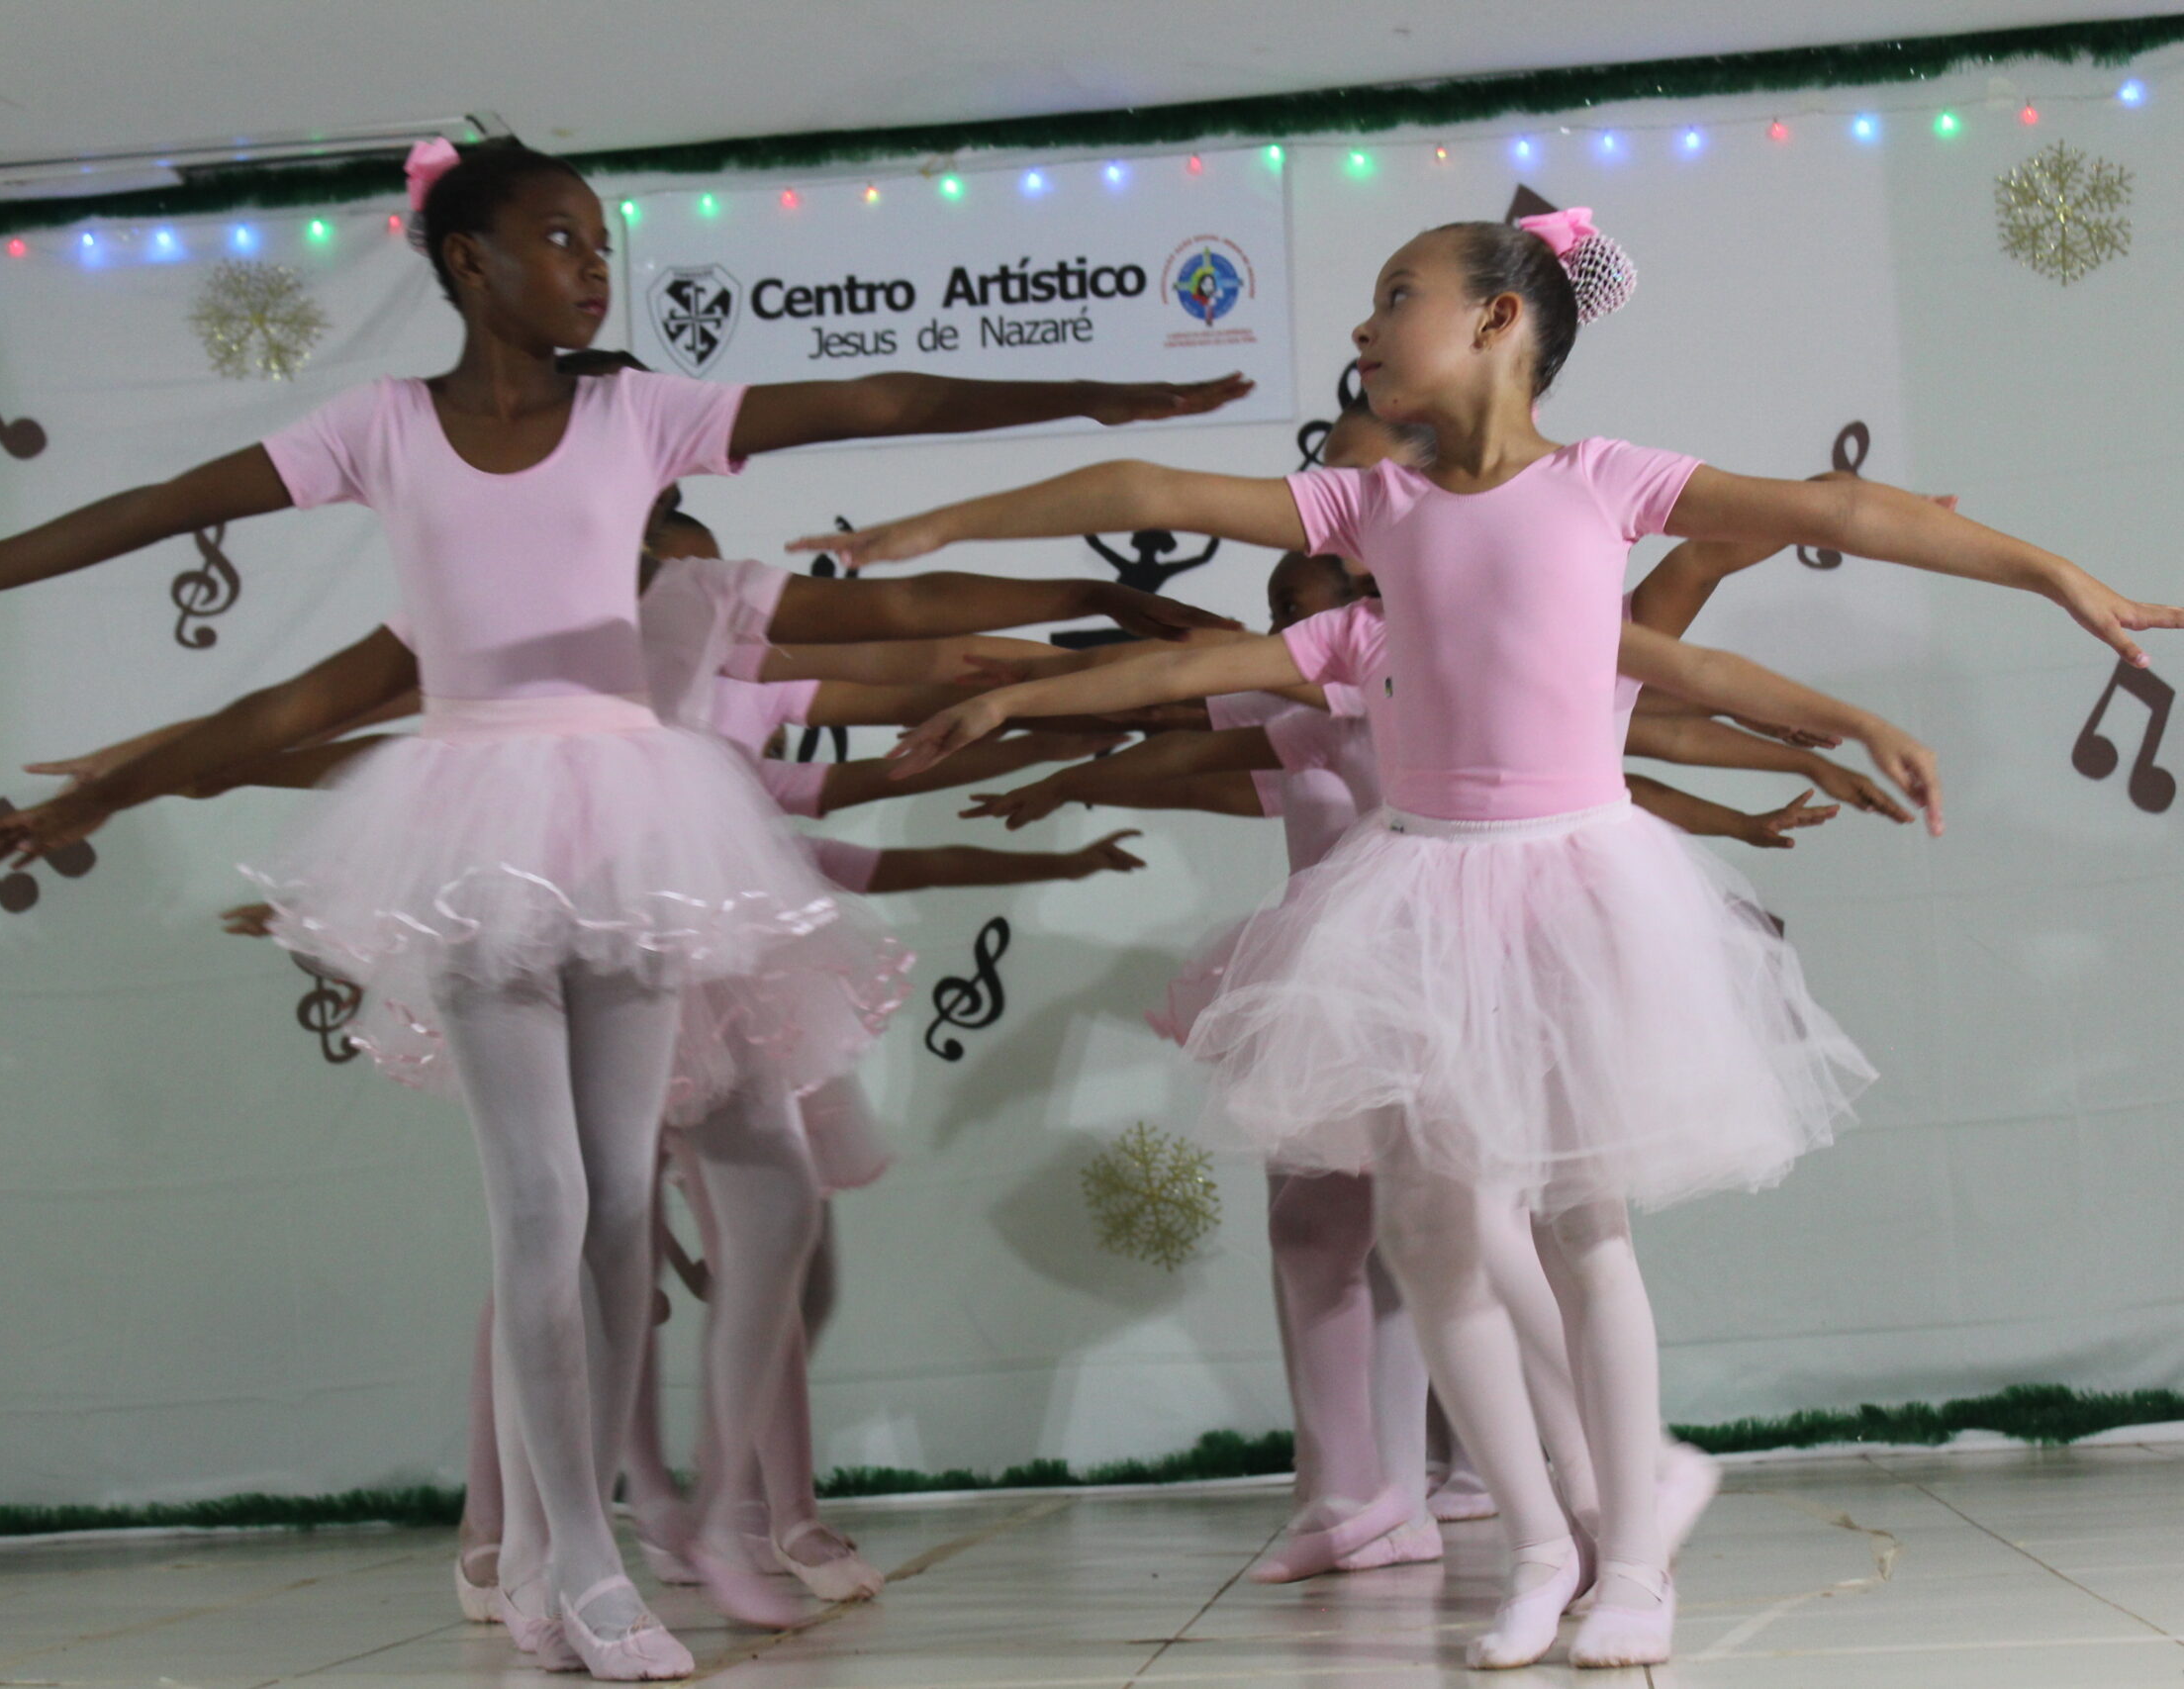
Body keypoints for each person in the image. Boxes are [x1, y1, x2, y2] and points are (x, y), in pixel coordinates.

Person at [0, 135, 1250, 1681]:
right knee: (541, 1206)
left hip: (635, 819)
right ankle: (570, 1560)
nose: (594, 268)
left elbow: (878, 398)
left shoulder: (636, 411)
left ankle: (553, 1550)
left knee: (625, 1217)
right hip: (471, 823)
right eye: (564, 241)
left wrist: (1093, 395)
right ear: (469, 264)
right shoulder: (382, 427)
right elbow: (174, 502)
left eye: (602, 244)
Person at [795, 206, 2177, 1667]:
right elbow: (1153, 497)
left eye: (1397, 294)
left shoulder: (1604, 485)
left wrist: (2052, 575)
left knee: (1585, 1231)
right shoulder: (1369, 521)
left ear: (1500, 321)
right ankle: (1534, 1548)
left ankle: (1634, 1562)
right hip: (1418, 895)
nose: (1363, 325)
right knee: (1435, 1235)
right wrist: (951, 540)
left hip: (1577, 887)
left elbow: (1836, 515)